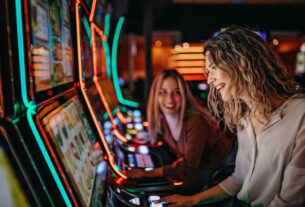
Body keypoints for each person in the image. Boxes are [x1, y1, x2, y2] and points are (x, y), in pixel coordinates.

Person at [158, 26, 305, 207]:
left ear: (240, 62)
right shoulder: (244, 117)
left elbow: (290, 202)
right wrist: (193, 200)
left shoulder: (300, 115)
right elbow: (240, 179)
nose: (209, 80)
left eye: (213, 69)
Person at [127, 70, 233, 189]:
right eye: (163, 92)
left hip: (219, 181)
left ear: (184, 95)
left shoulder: (195, 122)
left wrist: (148, 173)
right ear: (155, 96)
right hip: (200, 177)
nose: (170, 99)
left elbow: (189, 168)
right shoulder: (163, 122)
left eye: (176, 92)